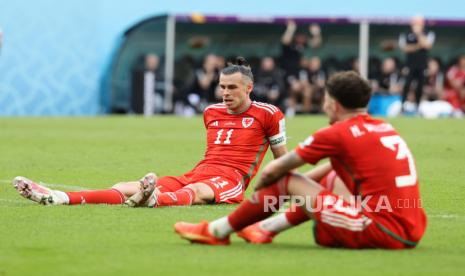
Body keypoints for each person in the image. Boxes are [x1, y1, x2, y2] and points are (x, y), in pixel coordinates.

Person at [174, 71, 427, 249]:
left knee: (285, 180)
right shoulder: (383, 127)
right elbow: (336, 170)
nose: (324, 105)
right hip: (411, 227)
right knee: (330, 177)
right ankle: (265, 228)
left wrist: (265, 191)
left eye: (326, 100)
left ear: (334, 104)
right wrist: (299, 186)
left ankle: (216, 231)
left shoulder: (337, 133)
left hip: (381, 231)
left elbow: (277, 170)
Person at [12, 57, 288, 208]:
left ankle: (153, 199)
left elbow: (282, 159)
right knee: (123, 185)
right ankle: (60, 198)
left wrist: (280, 193)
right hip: (198, 171)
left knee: (198, 192)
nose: (225, 93)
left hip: (230, 180)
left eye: (232, 88)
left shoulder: (269, 114)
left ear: (248, 88)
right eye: (222, 87)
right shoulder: (211, 112)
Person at [280, 20, 322, 116]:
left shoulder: (303, 46)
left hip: (302, 76)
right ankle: (291, 111)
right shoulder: (290, 46)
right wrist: (290, 29)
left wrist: (316, 33)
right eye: (300, 36)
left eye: (303, 37)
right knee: (294, 89)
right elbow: (285, 40)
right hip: (289, 74)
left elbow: (316, 43)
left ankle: (305, 114)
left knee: (307, 91)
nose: (302, 38)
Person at [399, 15, 435, 112]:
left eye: (418, 23)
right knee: (407, 85)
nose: (416, 25)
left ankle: (417, 107)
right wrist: (419, 46)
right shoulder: (406, 34)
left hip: (422, 65)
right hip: (410, 64)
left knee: (420, 86)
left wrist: (419, 35)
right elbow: (405, 48)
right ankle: (402, 106)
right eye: (415, 23)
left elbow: (427, 45)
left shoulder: (428, 33)